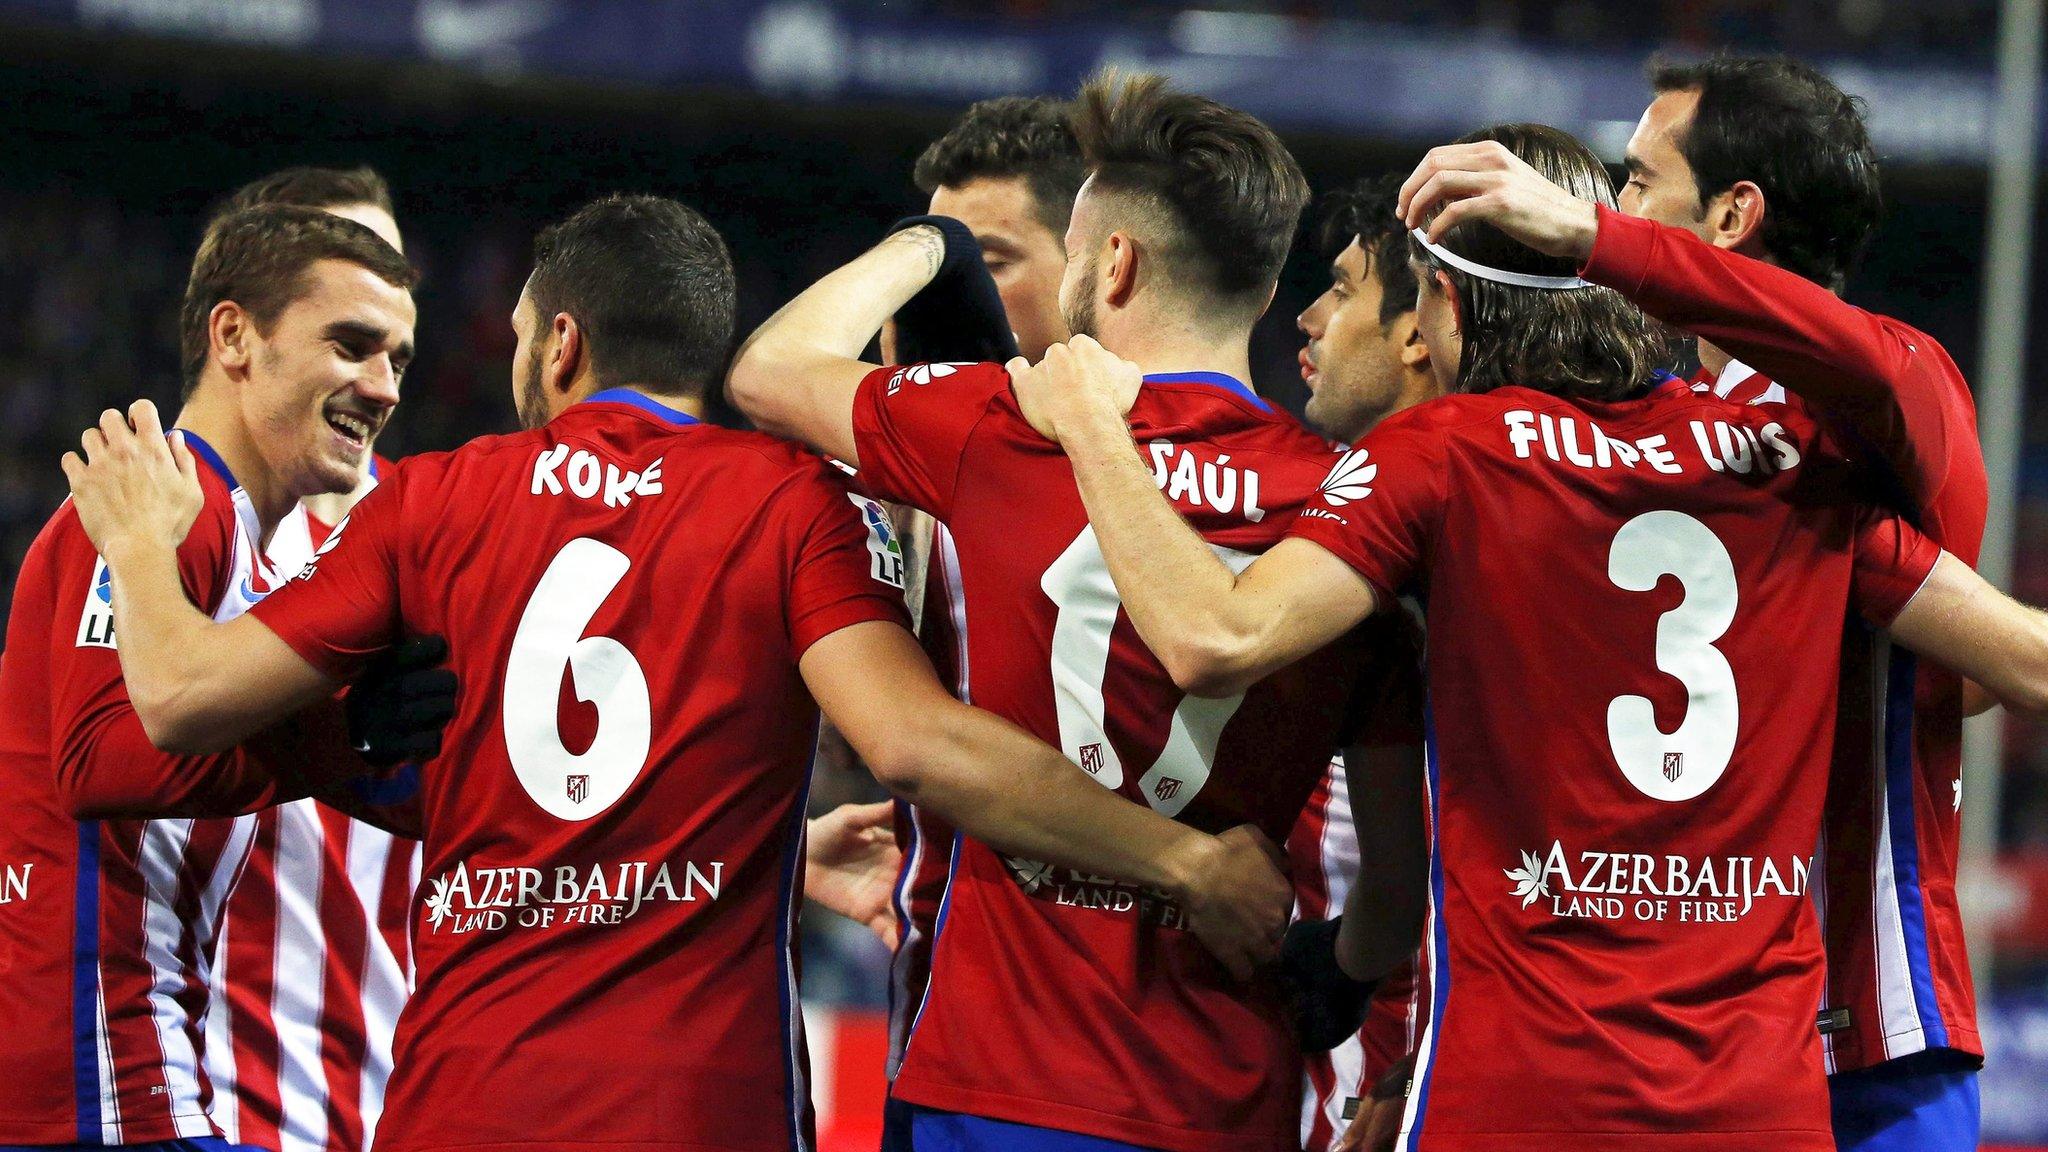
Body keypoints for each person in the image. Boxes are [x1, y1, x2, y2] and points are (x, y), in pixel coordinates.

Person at [59, 194, 1290, 1152]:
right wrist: (1179, 857)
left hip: (465, 1098)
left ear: (559, 341)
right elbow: (916, 746)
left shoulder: (438, 497)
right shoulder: (788, 503)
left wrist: (137, 547)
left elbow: (171, 700)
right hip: (701, 1108)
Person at [1010, 121, 2048, 1151]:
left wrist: (1094, 424)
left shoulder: (1445, 455)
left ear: (1448, 304)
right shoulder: (1786, 465)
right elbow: (2018, 663)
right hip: (1755, 1112)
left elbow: (1212, 636)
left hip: (1516, 1098)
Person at [730, 71, 1422, 1151]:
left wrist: (928, 248)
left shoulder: (1003, 429)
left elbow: (769, 369)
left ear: (1112, 262)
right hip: (1221, 1089)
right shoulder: (1349, 507)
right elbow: (1393, 891)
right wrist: (1335, 971)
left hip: (998, 1080)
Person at [1399, 57, 1989, 1152]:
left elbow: (2000, 654)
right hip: (1684, 1032)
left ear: (1731, 214)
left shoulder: (1897, 394)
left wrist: (1583, 240)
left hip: (1870, 1025)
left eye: (1631, 183)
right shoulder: (1664, 432)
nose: (1604, 209)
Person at [0, 204, 421, 1149]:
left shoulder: (246, 552)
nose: (383, 386)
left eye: (398, 358)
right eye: (353, 345)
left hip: (132, 1078)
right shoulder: (161, 509)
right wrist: (338, 736)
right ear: (234, 336)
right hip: (94, 1086)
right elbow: (97, 764)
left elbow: (387, 785)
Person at [799, 96, 1090, 1093]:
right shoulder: (890, 499)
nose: (948, 290)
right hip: (943, 1036)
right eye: (929, 262)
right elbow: (848, 741)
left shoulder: (1189, 488)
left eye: (987, 261)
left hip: (1138, 1049)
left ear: (1097, 263)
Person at [200, 164, 423, 1152]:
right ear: (246, 324)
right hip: (222, 1101)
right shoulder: (168, 533)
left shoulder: (442, 537)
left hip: (401, 1099)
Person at [1287, 176, 1439, 1152]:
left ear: (1418, 331)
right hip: (1357, 1064)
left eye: (1341, 290)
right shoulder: (1349, 508)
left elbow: (1212, 637)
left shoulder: (1465, 532)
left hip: (1421, 1081)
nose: (1306, 315)